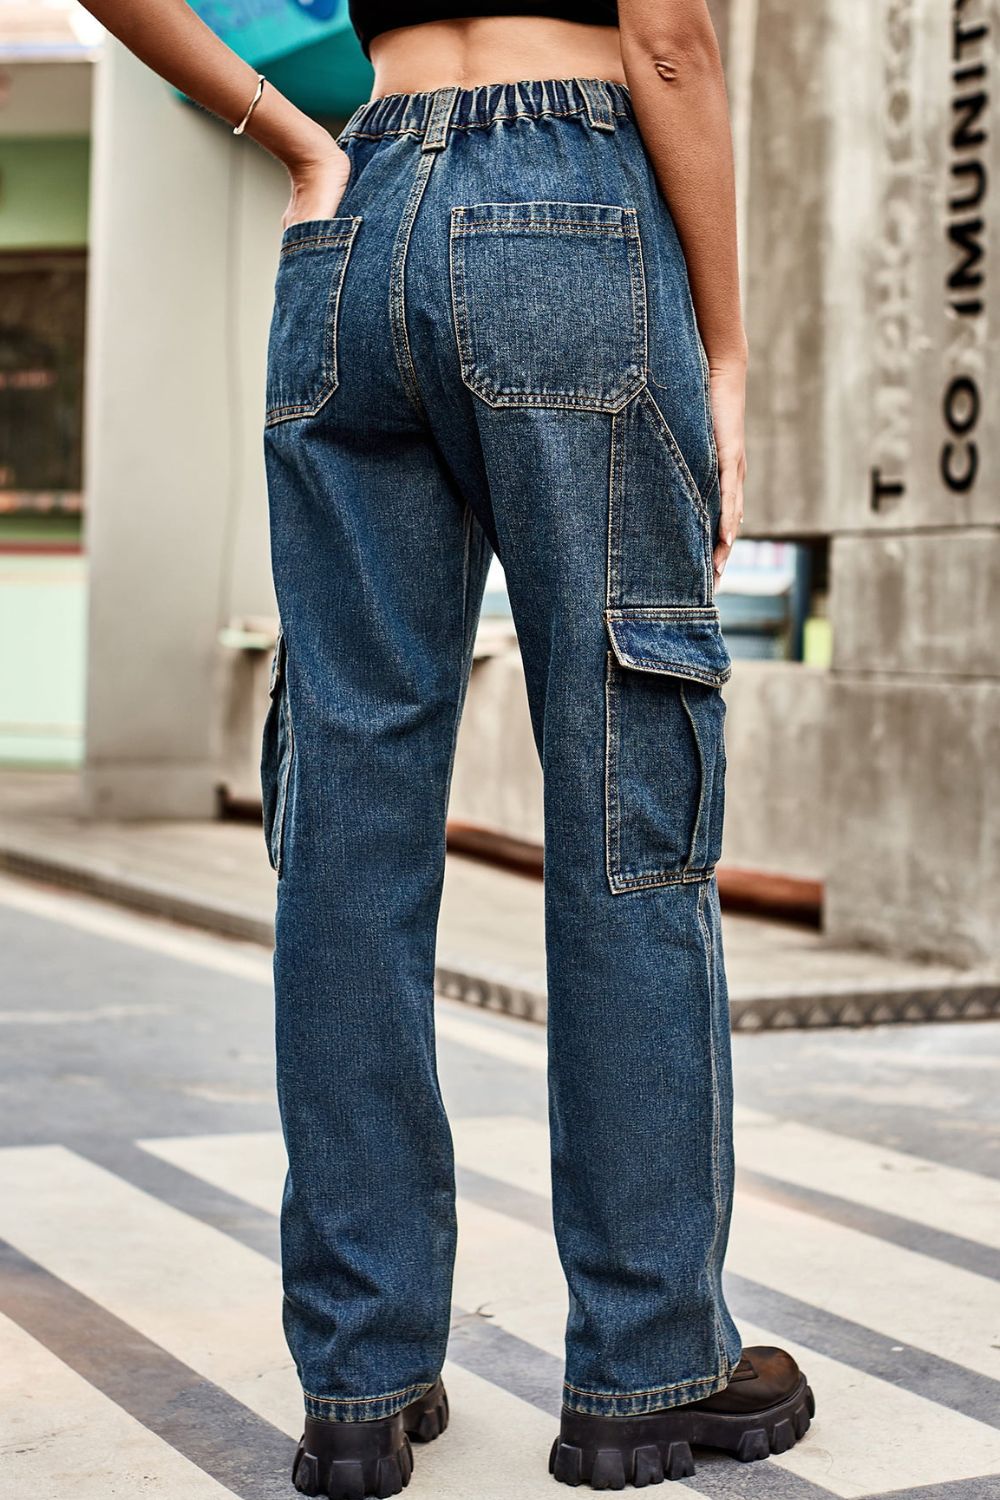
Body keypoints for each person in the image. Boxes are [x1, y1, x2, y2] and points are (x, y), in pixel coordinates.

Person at [80, 1, 815, 1493]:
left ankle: (360, 1379)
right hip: (574, 206)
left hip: (359, 210)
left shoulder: (340, 166)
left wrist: (293, 139)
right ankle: (646, 1364)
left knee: (349, 829)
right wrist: (726, 351)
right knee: (626, 801)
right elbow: (670, 39)